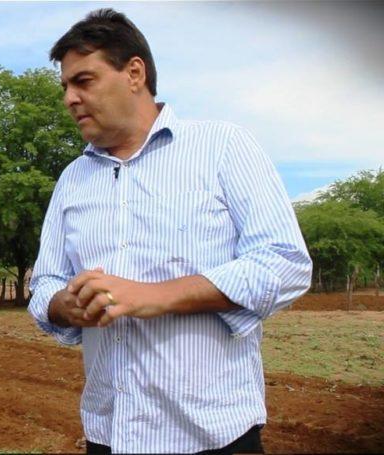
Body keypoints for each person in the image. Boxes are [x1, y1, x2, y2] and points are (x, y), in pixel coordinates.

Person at [28, 9, 312, 454]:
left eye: (83, 81)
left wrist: (156, 295)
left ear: (134, 73)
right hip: (110, 434)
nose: (69, 98)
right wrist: (64, 305)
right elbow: (43, 282)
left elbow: (284, 262)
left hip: (214, 435)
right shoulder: (72, 180)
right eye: (65, 86)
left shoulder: (222, 147)